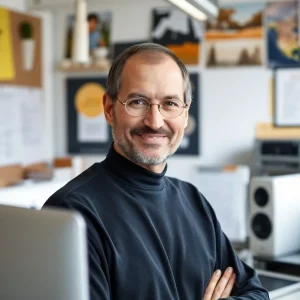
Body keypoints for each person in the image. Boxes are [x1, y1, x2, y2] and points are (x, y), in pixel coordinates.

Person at [43, 43, 269, 300]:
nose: (155, 121)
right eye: (138, 102)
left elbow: (257, 293)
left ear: (185, 114)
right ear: (108, 109)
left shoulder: (193, 201)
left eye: (170, 103)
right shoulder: (71, 213)